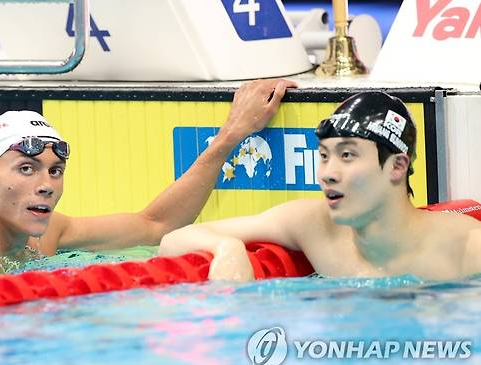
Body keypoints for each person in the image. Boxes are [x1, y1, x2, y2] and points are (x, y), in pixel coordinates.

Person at [0, 78, 298, 278]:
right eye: (26, 168)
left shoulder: (44, 236)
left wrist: (231, 135)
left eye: (55, 171)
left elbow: (156, 225)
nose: (45, 184)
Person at [159, 92, 481, 281]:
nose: (327, 173)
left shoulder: (466, 249)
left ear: (397, 166)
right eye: (324, 156)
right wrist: (226, 248)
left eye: (347, 155)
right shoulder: (314, 226)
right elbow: (172, 240)